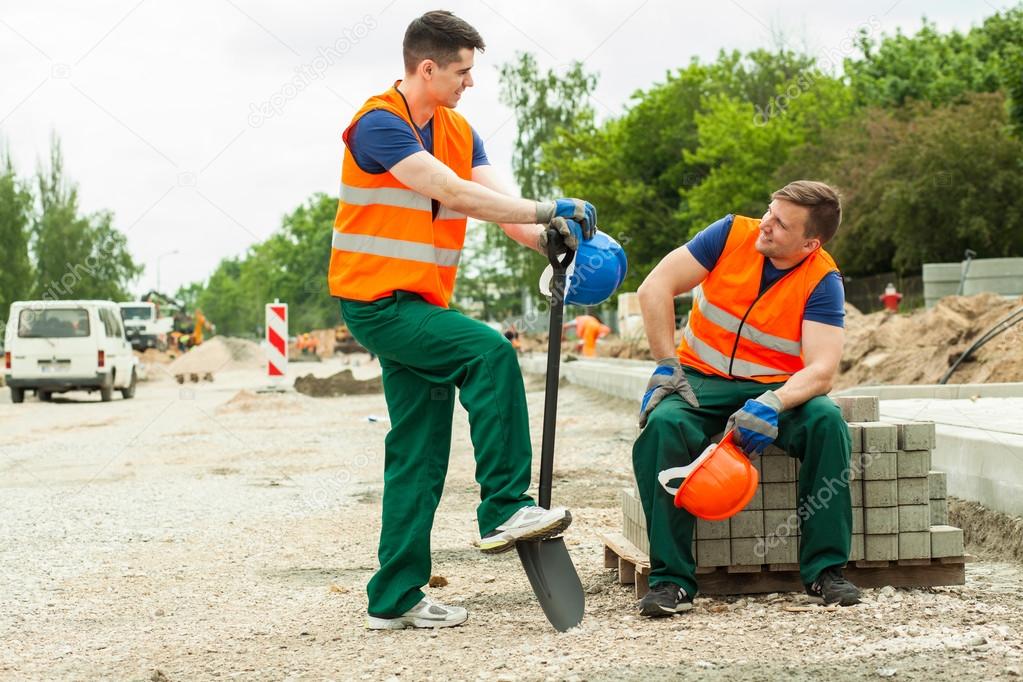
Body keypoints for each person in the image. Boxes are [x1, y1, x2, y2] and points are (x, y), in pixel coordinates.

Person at [328, 10, 600, 631]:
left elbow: (499, 208)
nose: (469, 83)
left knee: (418, 453)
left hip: (420, 306)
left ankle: (394, 596)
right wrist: (548, 202)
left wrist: (545, 236)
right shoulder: (378, 126)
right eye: (461, 72)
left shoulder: (458, 131)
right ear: (427, 68)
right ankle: (506, 505)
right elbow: (453, 195)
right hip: (377, 304)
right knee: (489, 352)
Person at [632, 180, 860, 617]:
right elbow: (655, 286)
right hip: (699, 379)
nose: (767, 225)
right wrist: (665, 364)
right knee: (663, 428)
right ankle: (670, 581)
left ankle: (824, 571)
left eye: (781, 223)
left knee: (826, 423)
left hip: (774, 387)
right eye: (769, 212)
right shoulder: (730, 234)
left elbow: (822, 369)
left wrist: (773, 403)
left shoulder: (823, 280)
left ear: (810, 243)